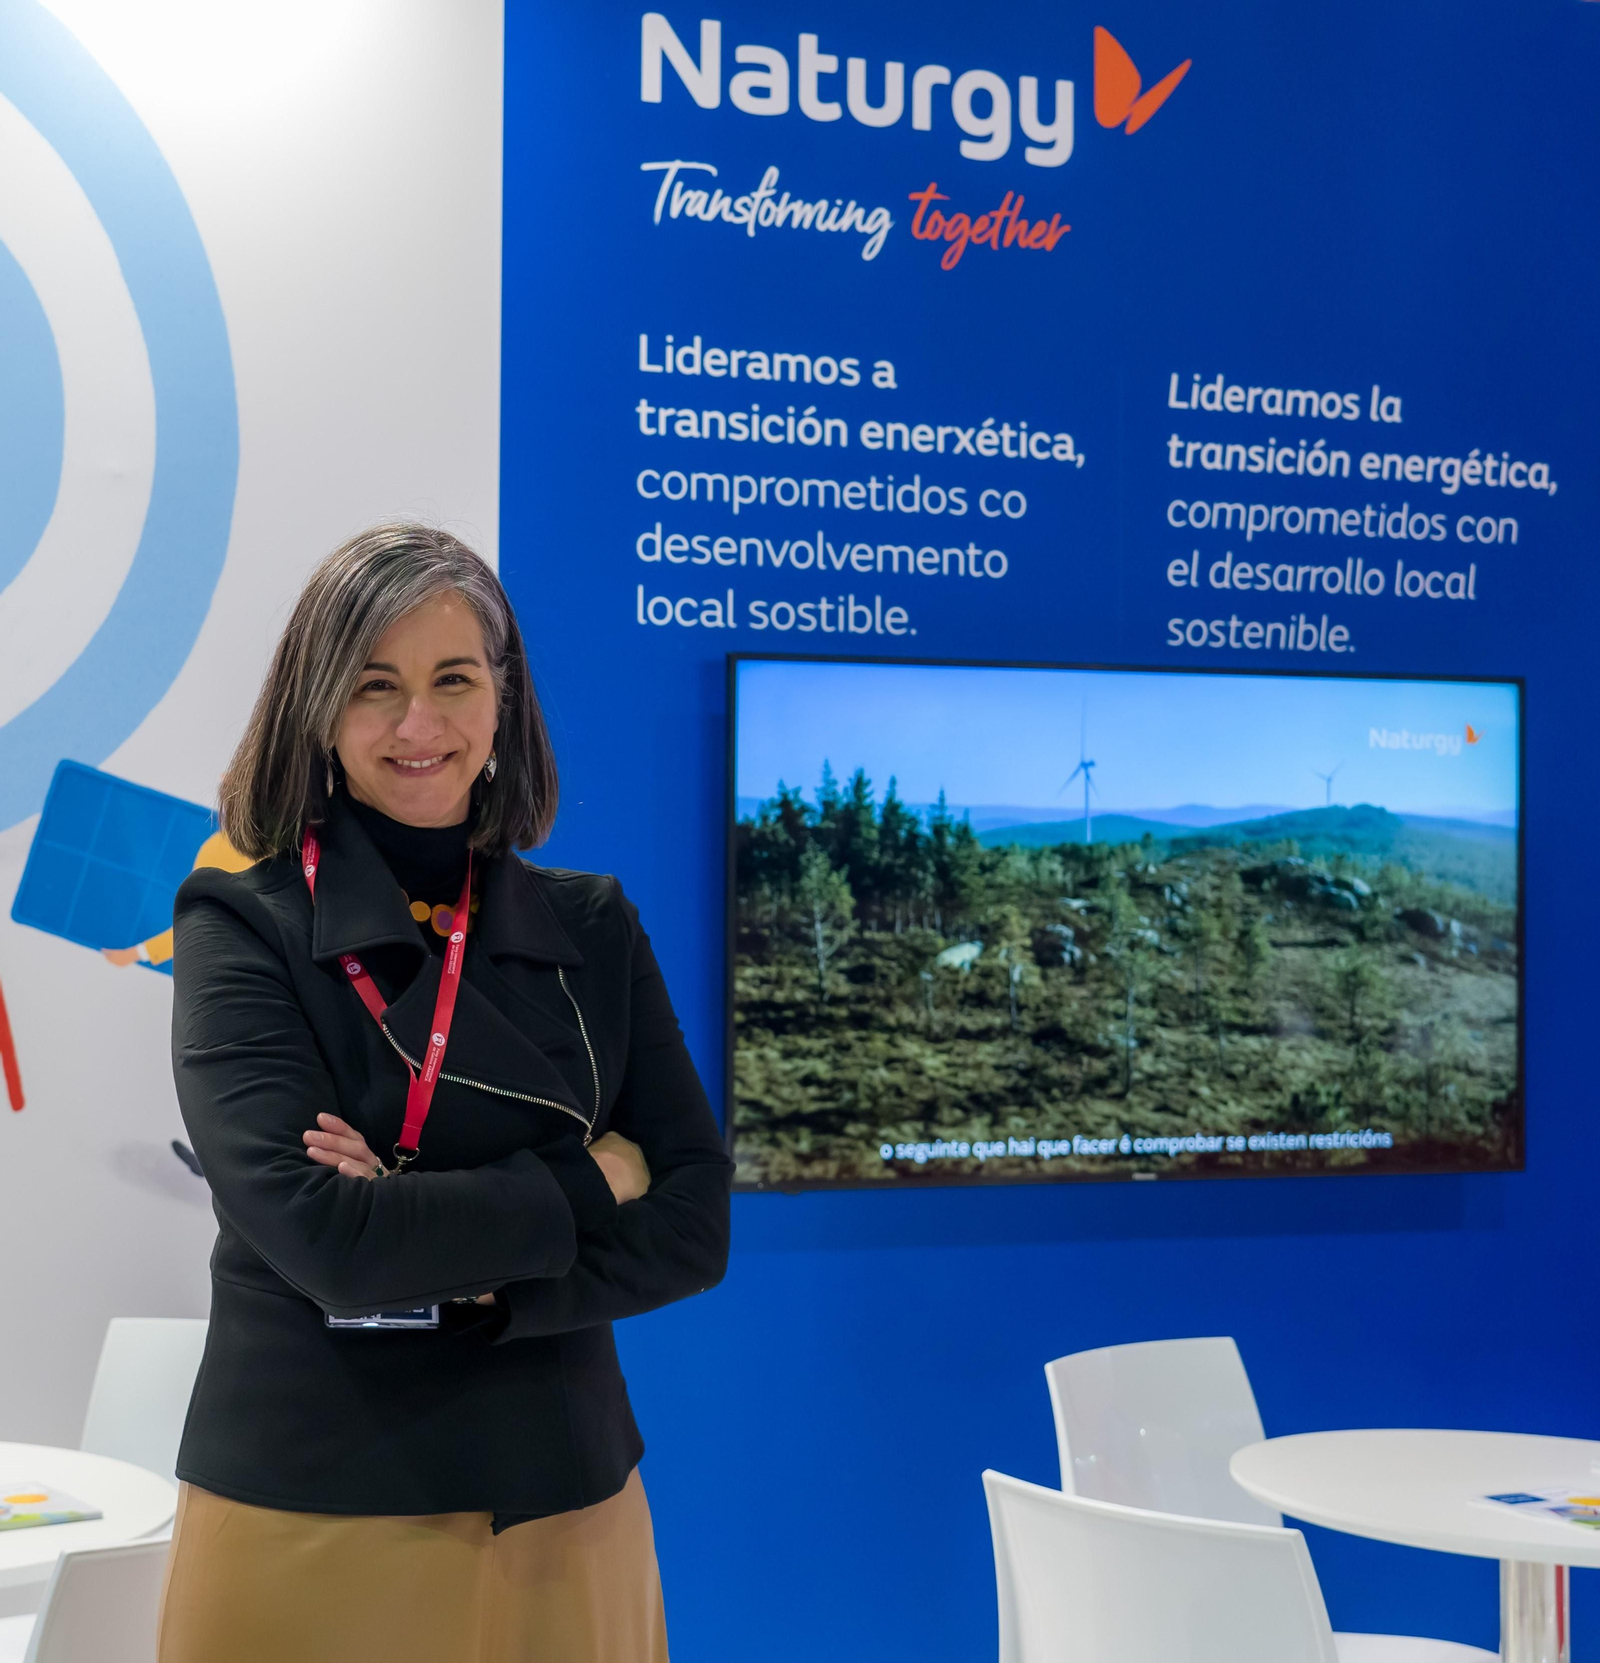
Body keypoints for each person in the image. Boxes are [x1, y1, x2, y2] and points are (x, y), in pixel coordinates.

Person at [159, 524, 731, 1663]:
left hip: (566, 1506)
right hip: (312, 1504)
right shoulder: (242, 924)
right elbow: (329, 1241)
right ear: (317, 710)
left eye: (453, 679)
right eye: (377, 687)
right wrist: (586, 1178)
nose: (421, 725)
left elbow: (695, 1222)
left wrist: (454, 1262)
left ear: (504, 700)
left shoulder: (593, 926)